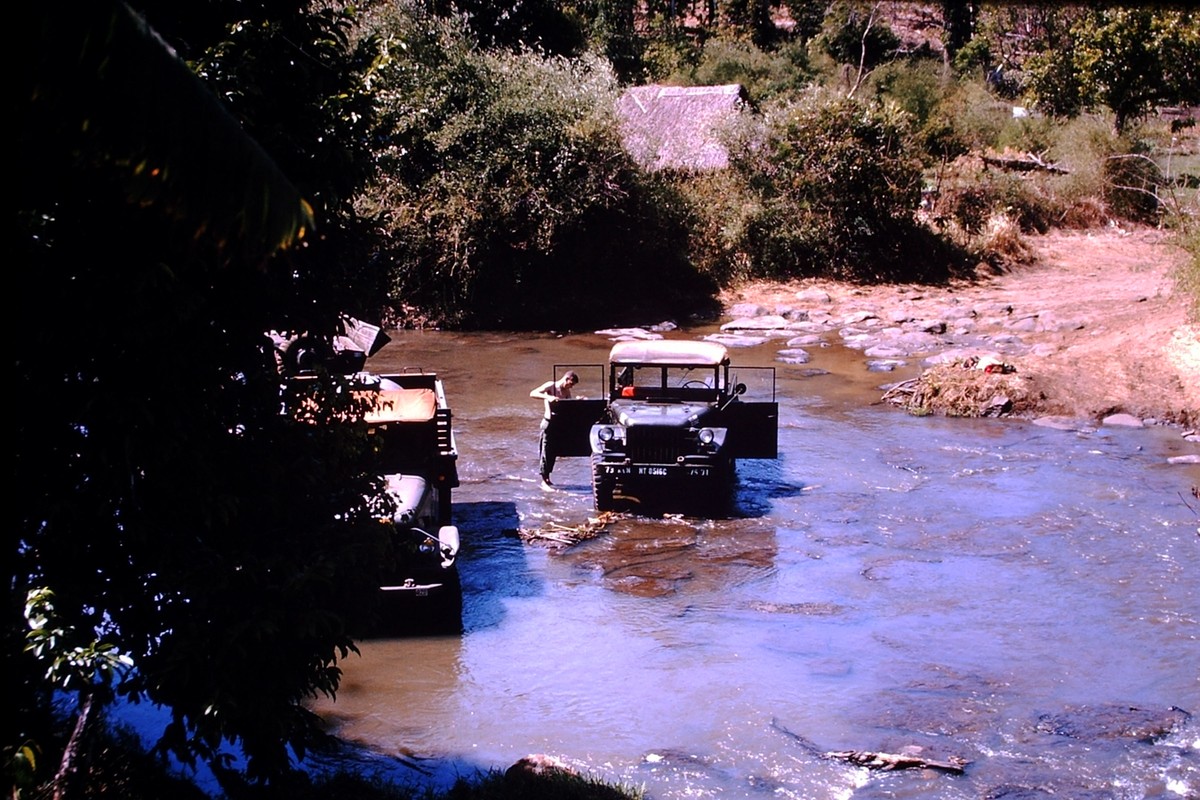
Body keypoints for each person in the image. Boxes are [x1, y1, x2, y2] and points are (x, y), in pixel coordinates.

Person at [529, 371, 578, 486]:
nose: (571, 386)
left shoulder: (567, 392)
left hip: (559, 424)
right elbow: (533, 393)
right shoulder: (551, 385)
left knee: (554, 452)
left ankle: (548, 477)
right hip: (548, 422)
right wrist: (548, 396)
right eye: (571, 384)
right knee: (546, 449)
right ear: (566, 379)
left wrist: (578, 400)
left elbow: (569, 407)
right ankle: (544, 478)